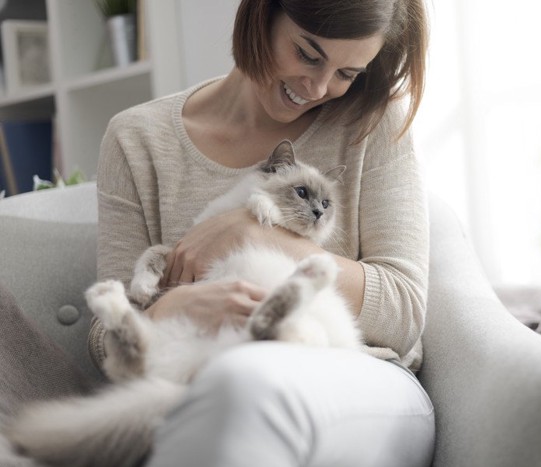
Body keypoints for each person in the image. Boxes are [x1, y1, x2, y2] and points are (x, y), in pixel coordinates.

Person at [89, 0, 435, 465]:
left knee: (241, 388)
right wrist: (170, 307)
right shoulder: (136, 139)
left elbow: (403, 311)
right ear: (262, 14)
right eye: (308, 54)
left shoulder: (371, 124)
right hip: (198, 369)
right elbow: (105, 336)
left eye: (346, 74)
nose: (318, 87)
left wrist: (253, 233)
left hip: (357, 379)